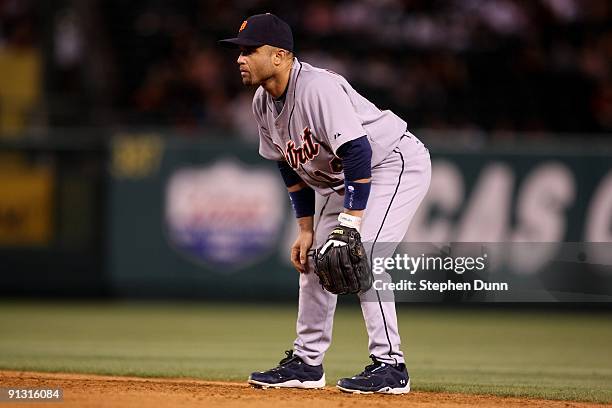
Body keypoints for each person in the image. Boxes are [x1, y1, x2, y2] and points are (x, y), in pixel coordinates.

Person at [219, 13, 431, 394]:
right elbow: (287, 163)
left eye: (250, 51)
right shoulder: (262, 103)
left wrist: (350, 220)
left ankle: (391, 365)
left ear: (281, 56)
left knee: (363, 252)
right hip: (342, 180)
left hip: (389, 163)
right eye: (239, 52)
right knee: (317, 259)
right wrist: (305, 228)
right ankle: (307, 363)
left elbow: (358, 151)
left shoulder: (317, 88)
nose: (240, 58)